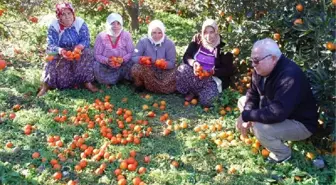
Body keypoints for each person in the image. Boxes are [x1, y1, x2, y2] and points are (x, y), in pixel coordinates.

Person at [236, 38, 318, 163]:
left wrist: (247, 115)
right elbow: (252, 95)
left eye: (256, 60)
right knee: (243, 101)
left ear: (273, 59)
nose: (253, 64)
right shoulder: (260, 69)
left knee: (260, 129)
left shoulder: (290, 76)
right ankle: (267, 134)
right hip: (276, 111)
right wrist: (247, 112)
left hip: (299, 123)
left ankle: (283, 154)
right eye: (252, 60)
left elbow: (277, 113)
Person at [37, 2, 98, 96]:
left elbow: (86, 39)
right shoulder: (54, 26)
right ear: (59, 17)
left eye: (69, 13)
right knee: (50, 55)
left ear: (73, 13)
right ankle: (46, 85)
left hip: (77, 51)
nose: (67, 16)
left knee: (87, 52)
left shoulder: (80, 23)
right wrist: (61, 51)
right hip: (61, 51)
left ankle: (87, 82)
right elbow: (51, 44)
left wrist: (79, 47)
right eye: (63, 14)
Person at [176, 19, 234, 107]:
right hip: (195, 75)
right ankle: (192, 92)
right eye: (205, 32)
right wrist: (194, 63)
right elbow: (186, 56)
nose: (208, 36)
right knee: (182, 69)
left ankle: (200, 93)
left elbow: (229, 70)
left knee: (207, 102)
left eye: (211, 32)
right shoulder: (197, 39)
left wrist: (213, 72)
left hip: (211, 79)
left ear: (216, 32)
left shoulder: (223, 46)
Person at [131, 20, 176, 94]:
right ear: (149, 32)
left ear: (163, 32)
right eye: (154, 32)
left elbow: (172, 62)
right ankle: (140, 85)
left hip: (163, 72)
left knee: (177, 72)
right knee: (136, 68)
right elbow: (134, 57)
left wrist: (163, 64)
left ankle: (153, 86)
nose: (157, 35)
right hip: (147, 70)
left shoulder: (169, 44)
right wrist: (142, 59)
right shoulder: (143, 41)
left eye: (159, 33)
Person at [94, 13, 135, 85]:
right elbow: (97, 54)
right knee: (97, 65)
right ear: (108, 24)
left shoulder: (126, 35)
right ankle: (113, 80)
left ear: (121, 24)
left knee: (133, 61)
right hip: (107, 66)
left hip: (123, 64)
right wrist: (107, 60)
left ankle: (124, 78)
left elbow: (131, 52)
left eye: (118, 23)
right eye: (112, 23)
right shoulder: (101, 36)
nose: (116, 26)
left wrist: (122, 60)